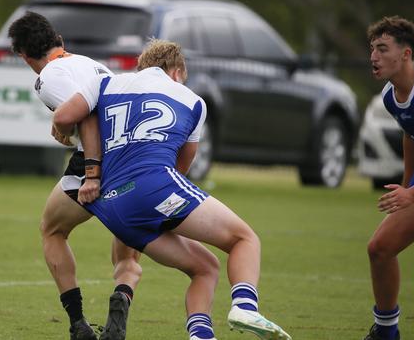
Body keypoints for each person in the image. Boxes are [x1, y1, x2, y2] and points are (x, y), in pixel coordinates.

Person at [53, 39, 291, 340]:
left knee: (205, 267)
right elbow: (181, 167)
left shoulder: (106, 83)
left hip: (111, 205)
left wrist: (67, 139)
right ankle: (245, 306)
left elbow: (63, 117)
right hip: (155, 187)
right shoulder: (192, 100)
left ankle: (201, 336)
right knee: (244, 239)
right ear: (177, 71)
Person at [8, 12, 212, 340]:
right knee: (128, 252)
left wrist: (92, 173)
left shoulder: (49, 76)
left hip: (97, 163)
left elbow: (87, 118)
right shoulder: (89, 64)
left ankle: (78, 324)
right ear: (58, 41)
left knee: (52, 230)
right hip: (132, 162)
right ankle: (122, 296)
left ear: (23, 55)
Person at [365, 16, 414, 340]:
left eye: (382, 48)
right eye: (372, 48)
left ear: (406, 54)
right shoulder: (391, 95)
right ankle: (386, 332)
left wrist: (413, 194)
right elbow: (413, 136)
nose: (373, 56)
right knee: (380, 247)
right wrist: (406, 186)